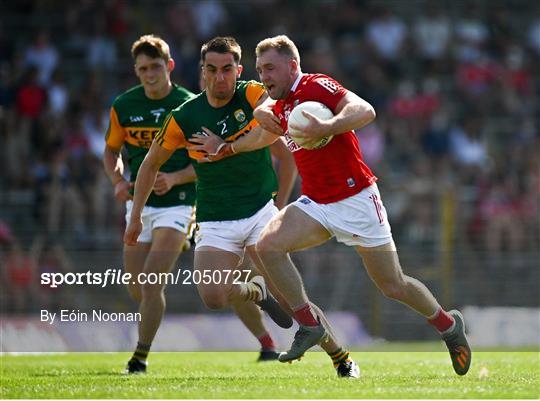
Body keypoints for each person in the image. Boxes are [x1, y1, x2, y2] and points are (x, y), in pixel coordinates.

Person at [201, 35, 472, 376]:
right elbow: (261, 136)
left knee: (392, 285)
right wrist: (226, 147)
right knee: (267, 246)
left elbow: (365, 110)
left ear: (293, 66)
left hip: (356, 198)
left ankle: (449, 326)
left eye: (270, 68)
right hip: (316, 202)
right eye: (260, 69)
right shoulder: (280, 105)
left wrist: (326, 126)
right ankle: (308, 323)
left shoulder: (317, 85)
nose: (264, 75)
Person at [125, 36, 361, 378]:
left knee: (292, 299)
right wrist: (135, 218)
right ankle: (255, 289)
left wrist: (279, 205)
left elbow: (281, 146)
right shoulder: (185, 117)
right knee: (214, 296)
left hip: (258, 213)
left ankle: (342, 358)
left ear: (238, 70)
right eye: (211, 70)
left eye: (227, 70)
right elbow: (148, 165)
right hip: (214, 218)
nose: (220, 78)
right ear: (202, 72)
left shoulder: (253, 95)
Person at [103, 35, 197, 374]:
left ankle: (139, 357)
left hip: (180, 203)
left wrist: (175, 178)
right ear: (136, 71)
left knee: (151, 282)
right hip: (138, 204)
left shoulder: (189, 104)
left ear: (169, 66)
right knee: (136, 286)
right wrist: (117, 181)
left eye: (156, 66)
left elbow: (207, 159)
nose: (150, 74)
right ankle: (150, 323)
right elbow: (112, 150)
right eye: (143, 69)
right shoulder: (124, 106)